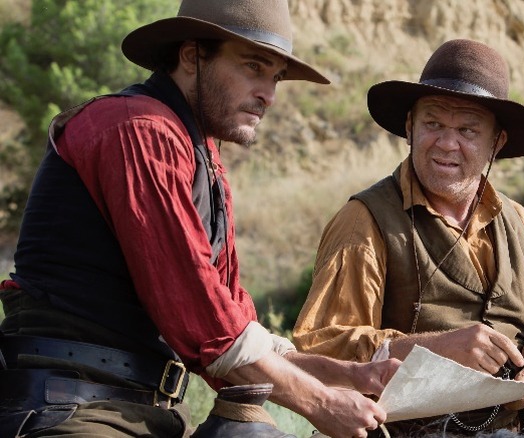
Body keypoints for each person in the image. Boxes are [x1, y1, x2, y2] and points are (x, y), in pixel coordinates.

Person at [0, 0, 399, 437]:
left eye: (276, 77)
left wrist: (345, 375)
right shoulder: (139, 130)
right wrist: (319, 402)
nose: (269, 94)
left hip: (146, 412)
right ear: (192, 57)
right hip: (71, 408)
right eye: (253, 67)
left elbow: (233, 324)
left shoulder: (199, 153)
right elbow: (205, 323)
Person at [293, 38, 524, 436]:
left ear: (495, 143)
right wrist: (435, 349)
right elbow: (322, 347)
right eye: (433, 124)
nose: (447, 143)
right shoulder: (364, 220)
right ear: (410, 128)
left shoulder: (519, 223)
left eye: (468, 130)